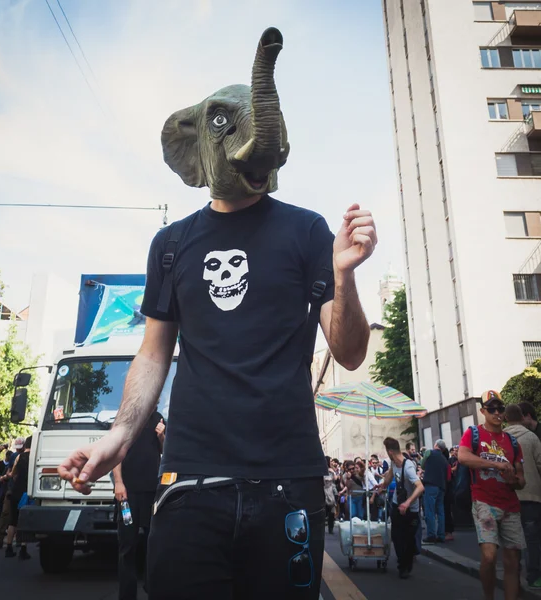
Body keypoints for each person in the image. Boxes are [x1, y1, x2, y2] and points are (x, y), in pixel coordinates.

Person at [59, 26, 377, 599]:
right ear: (199, 151)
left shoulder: (308, 231)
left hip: (288, 484)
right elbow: (154, 355)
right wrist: (118, 437)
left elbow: (350, 351)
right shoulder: (172, 245)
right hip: (189, 484)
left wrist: (345, 275)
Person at [458, 390, 526, 600]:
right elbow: (463, 457)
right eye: (492, 409)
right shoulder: (473, 433)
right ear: (483, 411)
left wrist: (513, 479)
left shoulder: (513, 442)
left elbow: (522, 481)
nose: (497, 412)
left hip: (510, 506)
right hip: (484, 502)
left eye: (500, 408)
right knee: (489, 556)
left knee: (513, 561)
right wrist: (495, 464)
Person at [113, 411, 165, 599]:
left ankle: (153, 589)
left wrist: (161, 437)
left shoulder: (158, 418)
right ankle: (127, 595)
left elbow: (164, 452)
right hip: (128, 495)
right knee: (127, 545)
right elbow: (116, 453)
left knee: (154, 543)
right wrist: (118, 482)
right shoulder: (126, 417)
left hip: (152, 493)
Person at [505, 403, 541, 589]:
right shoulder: (531, 438)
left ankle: (514, 576)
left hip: (509, 496)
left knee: (512, 539)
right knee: (532, 538)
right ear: (521, 416)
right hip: (532, 495)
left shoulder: (501, 439)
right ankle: (534, 577)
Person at [378, 437, 424, 579]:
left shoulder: (408, 466)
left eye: (387, 451)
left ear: (390, 452)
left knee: (409, 539)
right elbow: (390, 475)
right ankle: (402, 565)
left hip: (411, 509)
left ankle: (407, 563)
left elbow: (420, 487)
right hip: (397, 505)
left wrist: (408, 503)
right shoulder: (393, 462)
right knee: (397, 536)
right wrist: (382, 485)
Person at [0, 438, 24, 549]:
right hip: (12, 488)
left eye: (20, 448)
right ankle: (0, 538)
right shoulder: (14, 456)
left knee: (20, 515)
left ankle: (20, 540)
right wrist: (7, 476)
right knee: (5, 513)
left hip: (23, 490)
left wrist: (7, 476)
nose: (18, 450)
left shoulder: (27, 456)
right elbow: (10, 471)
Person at [5, 436, 32, 559]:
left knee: (13, 520)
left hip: (16, 491)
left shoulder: (19, 457)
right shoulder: (35, 456)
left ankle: (9, 547)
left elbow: (13, 474)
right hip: (27, 492)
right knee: (25, 521)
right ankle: (23, 548)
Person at [421, 439, 449, 544]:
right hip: (441, 486)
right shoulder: (444, 459)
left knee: (430, 511)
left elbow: (422, 464)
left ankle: (431, 535)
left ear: (436, 445)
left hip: (430, 485)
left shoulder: (429, 452)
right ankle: (441, 535)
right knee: (440, 511)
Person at [323, 457, 337, 535]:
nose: (332, 462)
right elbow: (334, 478)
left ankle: (330, 528)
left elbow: (336, 478)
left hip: (330, 492)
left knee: (331, 511)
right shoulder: (327, 471)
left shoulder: (330, 470)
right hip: (325, 491)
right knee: (326, 511)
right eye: (331, 461)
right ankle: (328, 528)